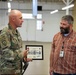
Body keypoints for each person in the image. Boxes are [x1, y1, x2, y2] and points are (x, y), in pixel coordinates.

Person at [0, 10, 32, 75]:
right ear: (13, 19)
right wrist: (22, 54)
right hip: (8, 72)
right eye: (20, 18)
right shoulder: (5, 33)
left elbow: (16, 51)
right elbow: (6, 53)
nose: (22, 20)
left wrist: (24, 59)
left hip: (17, 71)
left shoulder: (16, 32)